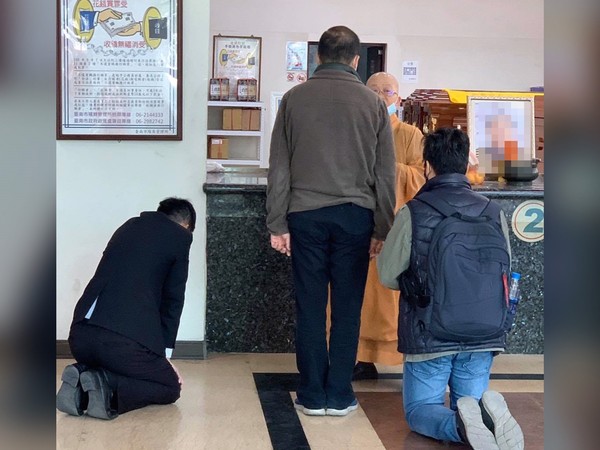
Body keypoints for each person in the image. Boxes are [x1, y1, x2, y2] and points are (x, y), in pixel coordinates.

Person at [266, 25, 396, 417]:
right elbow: (385, 174)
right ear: (356, 60)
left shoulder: (293, 99)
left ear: (319, 57)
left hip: (304, 215)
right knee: (347, 307)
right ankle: (339, 394)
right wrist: (382, 228)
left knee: (308, 306)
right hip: (356, 218)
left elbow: (279, 167)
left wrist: (277, 223)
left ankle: (311, 394)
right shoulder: (373, 104)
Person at [378, 128, 524, 449]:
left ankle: (460, 426)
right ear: (465, 164)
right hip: (484, 333)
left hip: (429, 332)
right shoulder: (493, 211)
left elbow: (387, 275)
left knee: (420, 410)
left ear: (427, 165)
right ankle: (485, 418)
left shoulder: (414, 211)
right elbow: (505, 269)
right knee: (470, 403)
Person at [56, 197, 195, 420]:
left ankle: (83, 375)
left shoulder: (128, 226)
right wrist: (163, 357)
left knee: (120, 362)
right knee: (170, 387)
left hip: (80, 338)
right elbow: (172, 300)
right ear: (186, 225)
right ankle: (107, 387)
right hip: (122, 345)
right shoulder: (180, 236)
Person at [353, 72, 425, 380]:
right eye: (374, 91)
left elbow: (420, 177)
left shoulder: (410, 134)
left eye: (387, 91)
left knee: (388, 298)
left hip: (393, 229)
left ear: (399, 98)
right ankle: (358, 357)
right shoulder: (353, 130)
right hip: (356, 224)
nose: (381, 97)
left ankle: (396, 354)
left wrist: (386, 168)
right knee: (355, 295)